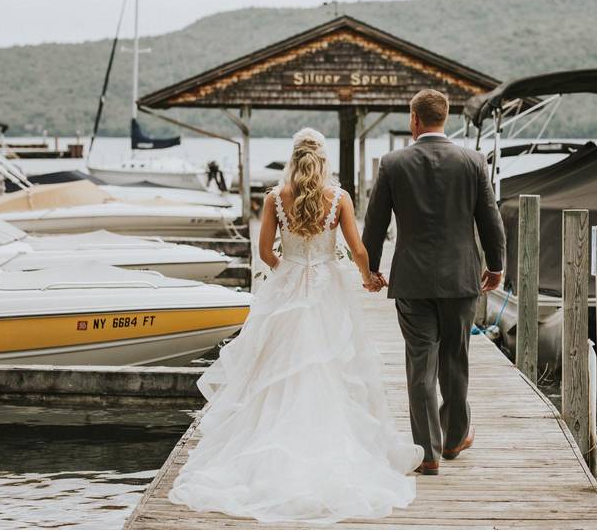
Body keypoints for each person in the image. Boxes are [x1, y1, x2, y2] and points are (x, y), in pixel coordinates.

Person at [168, 127, 423, 524]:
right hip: (327, 291)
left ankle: (265, 445)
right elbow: (358, 248)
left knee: (274, 369)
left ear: (293, 156)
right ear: (323, 160)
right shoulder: (338, 198)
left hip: (287, 291)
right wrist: (367, 275)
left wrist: (287, 271)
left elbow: (264, 250)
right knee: (334, 366)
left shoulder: (274, 197)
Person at [362, 88, 506, 476]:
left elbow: (374, 225)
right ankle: (456, 436)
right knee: (455, 360)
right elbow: (490, 221)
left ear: (414, 119)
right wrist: (496, 266)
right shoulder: (473, 161)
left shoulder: (393, 163)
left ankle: (428, 453)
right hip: (462, 279)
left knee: (420, 367)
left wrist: (370, 269)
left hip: (412, 281)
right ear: (445, 118)